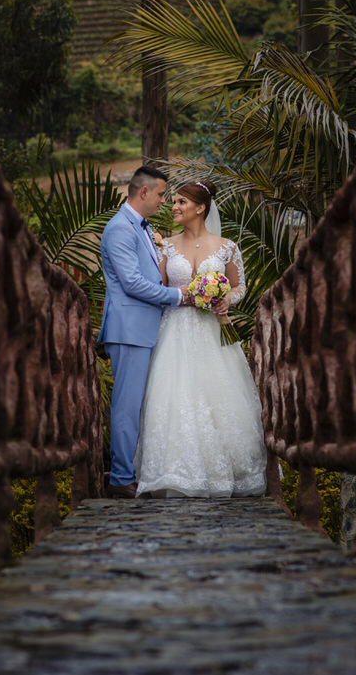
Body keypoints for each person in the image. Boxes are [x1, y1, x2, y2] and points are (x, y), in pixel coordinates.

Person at [134, 180, 267, 498]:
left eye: (181, 202)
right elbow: (159, 286)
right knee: (174, 396)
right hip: (175, 333)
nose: (174, 207)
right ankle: (178, 472)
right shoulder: (165, 246)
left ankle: (224, 474)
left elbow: (239, 286)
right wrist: (181, 296)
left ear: (200, 207)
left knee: (219, 399)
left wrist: (226, 300)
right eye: (174, 202)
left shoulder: (227, 247)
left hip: (212, 332)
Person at [97, 166, 188, 499]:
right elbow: (133, 284)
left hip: (144, 327)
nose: (165, 201)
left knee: (138, 404)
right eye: (163, 194)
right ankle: (120, 479)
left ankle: (131, 471)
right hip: (129, 329)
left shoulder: (141, 228)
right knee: (127, 405)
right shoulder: (120, 228)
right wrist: (179, 296)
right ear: (144, 192)